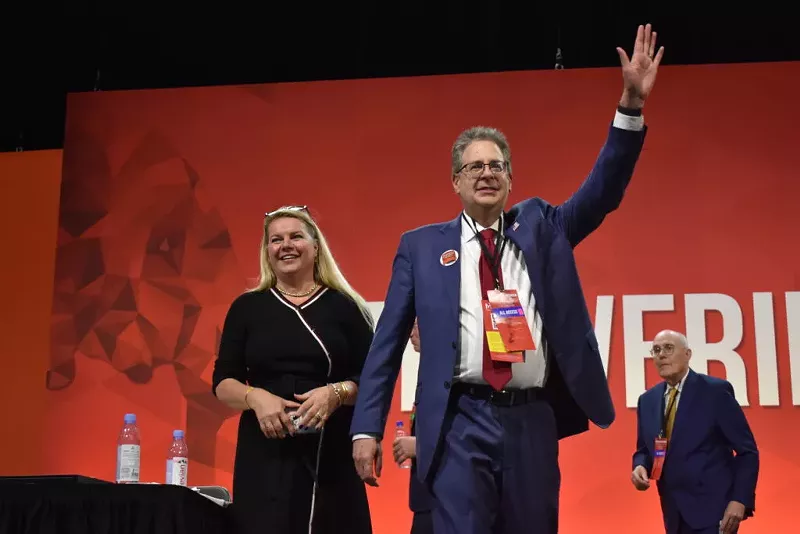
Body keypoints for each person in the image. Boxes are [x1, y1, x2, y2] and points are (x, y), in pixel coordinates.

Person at [351, 24, 664, 534]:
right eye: (473, 167)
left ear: (511, 179)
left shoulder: (542, 226)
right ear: (455, 181)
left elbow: (602, 192)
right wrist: (366, 427)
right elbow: (385, 347)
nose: (486, 173)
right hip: (458, 419)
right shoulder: (422, 247)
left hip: (531, 420)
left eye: (496, 165)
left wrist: (630, 107)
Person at [212, 206, 374, 534]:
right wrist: (255, 397)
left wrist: (336, 393)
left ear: (316, 248)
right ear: (267, 253)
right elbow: (223, 382)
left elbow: (373, 380)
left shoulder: (345, 307)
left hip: (331, 451)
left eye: (296, 236)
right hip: (266, 451)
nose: (286, 245)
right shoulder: (247, 308)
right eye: (276, 240)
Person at [631, 330, 759, 534]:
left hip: (715, 512)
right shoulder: (647, 400)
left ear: (688, 354)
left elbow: (747, 452)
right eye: (656, 350)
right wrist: (639, 466)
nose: (661, 354)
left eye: (668, 348)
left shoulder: (715, 392)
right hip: (673, 515)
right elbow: (645, 449)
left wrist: (740, 500)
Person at [392, 320, 435, 534]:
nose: (411, 332)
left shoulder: (456, 378)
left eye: (418, 324)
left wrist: (420, 447)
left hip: (445, 502)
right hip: (424, 499)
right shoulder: (427, 372)